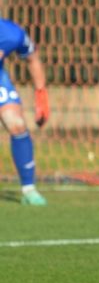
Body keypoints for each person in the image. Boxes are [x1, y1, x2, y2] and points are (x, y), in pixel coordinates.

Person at [0, 18, 50, 206]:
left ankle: (29, 189)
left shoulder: (11, 34)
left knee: (18, 126)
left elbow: (32, 57)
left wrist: (41, 95)